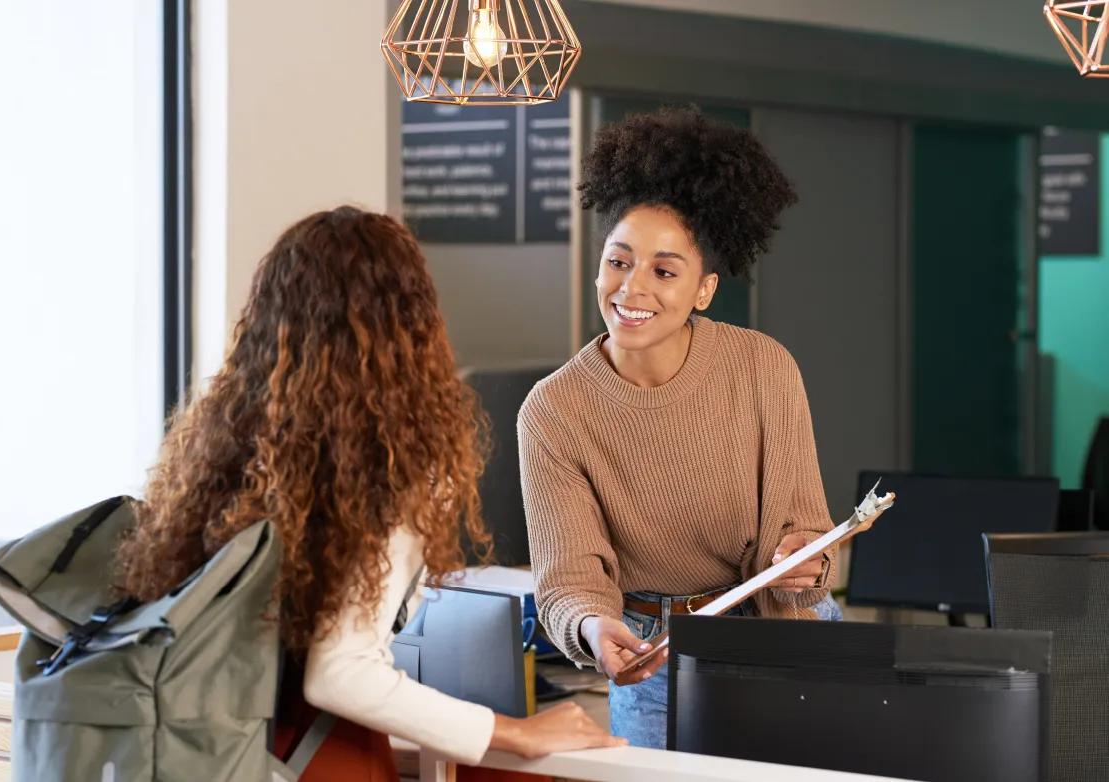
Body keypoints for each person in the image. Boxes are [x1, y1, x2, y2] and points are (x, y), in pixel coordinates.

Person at [114, 206, 623, 779]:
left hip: (219, 744)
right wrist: (515, 733)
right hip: (315, 756)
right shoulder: (388, 463)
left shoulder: (231, 445)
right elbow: (342, 672)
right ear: (410, 323)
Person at [519, 107, 842, 750]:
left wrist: (804, 559)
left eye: (664, 271)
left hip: (783, 638)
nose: (631, 288)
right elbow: (569, 582)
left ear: (704, 289)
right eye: (618, 261)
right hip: (653, 654)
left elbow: (809, 530)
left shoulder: (762, 368)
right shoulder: (554, 411)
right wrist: (590, 628)